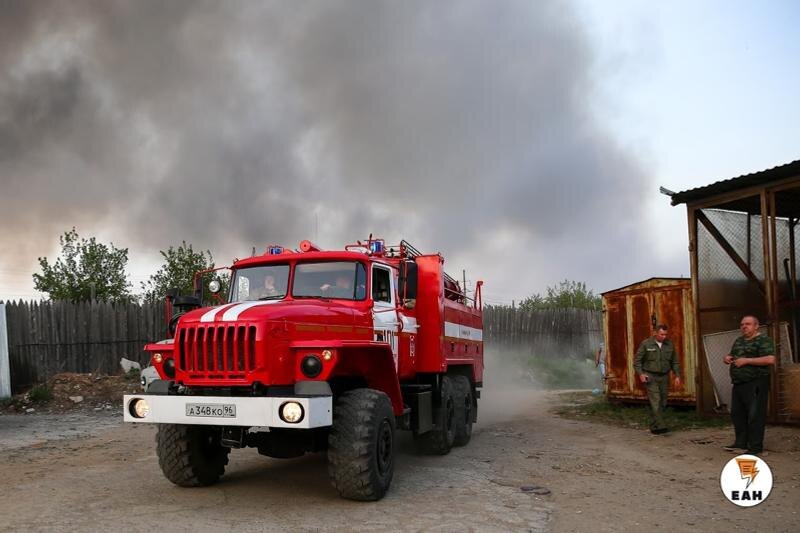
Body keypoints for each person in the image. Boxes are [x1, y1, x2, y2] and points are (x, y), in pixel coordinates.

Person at [722, 315, 776, 455]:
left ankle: (755, 447)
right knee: (737, 414)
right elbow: (733, 355)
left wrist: (747, 361)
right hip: (739, 383)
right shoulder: (739, 340)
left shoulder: (763, 340)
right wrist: (727, 358)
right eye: (742, 324)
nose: (744, 326)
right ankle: (741, 443)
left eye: (748, 324)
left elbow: (770, 359)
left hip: (756, 382)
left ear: (756, 326)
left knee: (755, 415)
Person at [634, 324, 682, 434]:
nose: (664, 337)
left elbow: (674, 361)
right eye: (661, 334)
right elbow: (637, 361)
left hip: (664, 376)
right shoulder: (646, 344)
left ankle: (654, 425)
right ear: (655, 333)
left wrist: (677, 375)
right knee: (656, 400)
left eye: (665, 334)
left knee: (663, 401)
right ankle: (661, 426)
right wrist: (641, 374)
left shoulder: (669, 344)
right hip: (650, 376)